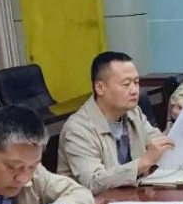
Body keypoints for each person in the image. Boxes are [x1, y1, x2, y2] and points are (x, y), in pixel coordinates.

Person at [58, 51, 174, 192]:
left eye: (136, 82)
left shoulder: (133, 112)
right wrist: (144, 162)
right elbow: (92, 182)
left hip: (130, 197)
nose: (134, 90)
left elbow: (159, 143)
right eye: (126, 84)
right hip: (93, 203)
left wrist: (175, 120)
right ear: (100, 88)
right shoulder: (78, 129)